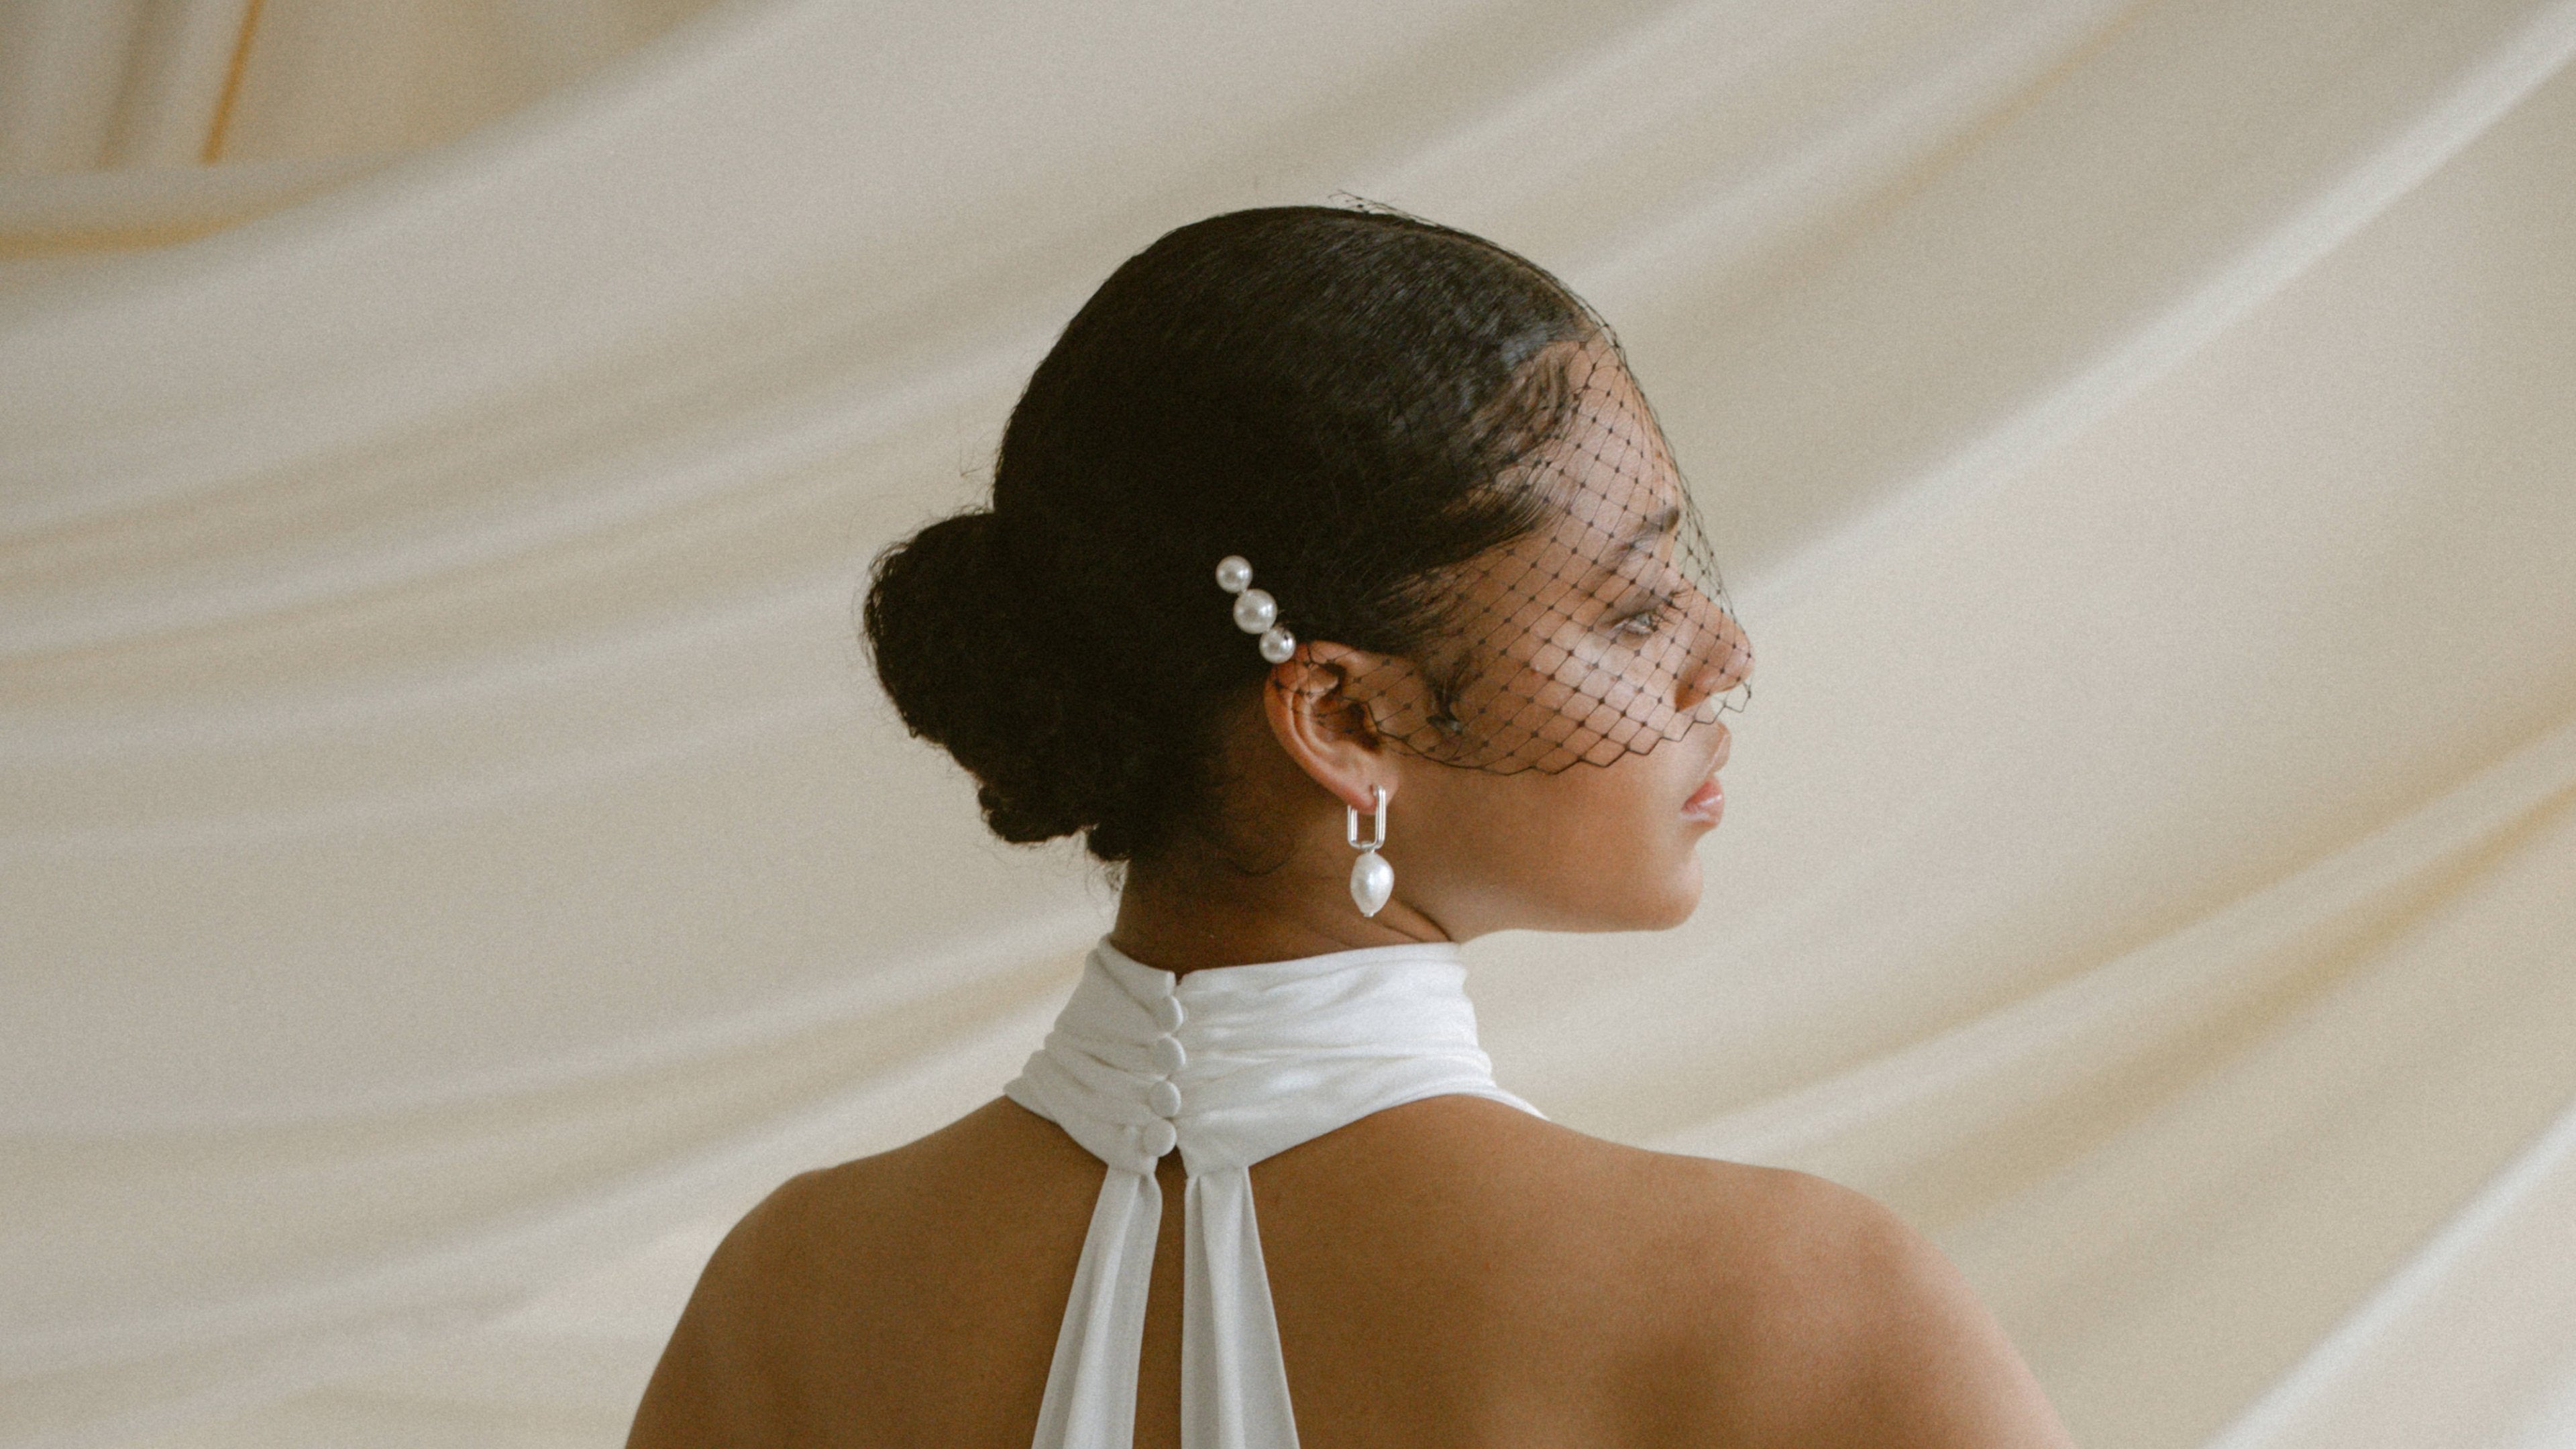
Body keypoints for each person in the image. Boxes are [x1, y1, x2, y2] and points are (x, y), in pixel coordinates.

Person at [628, 205, 2076, 1448]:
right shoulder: (1794, 1301)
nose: (1724, 651)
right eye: (1633, 606)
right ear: (1343, 718)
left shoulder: (794, 1298)